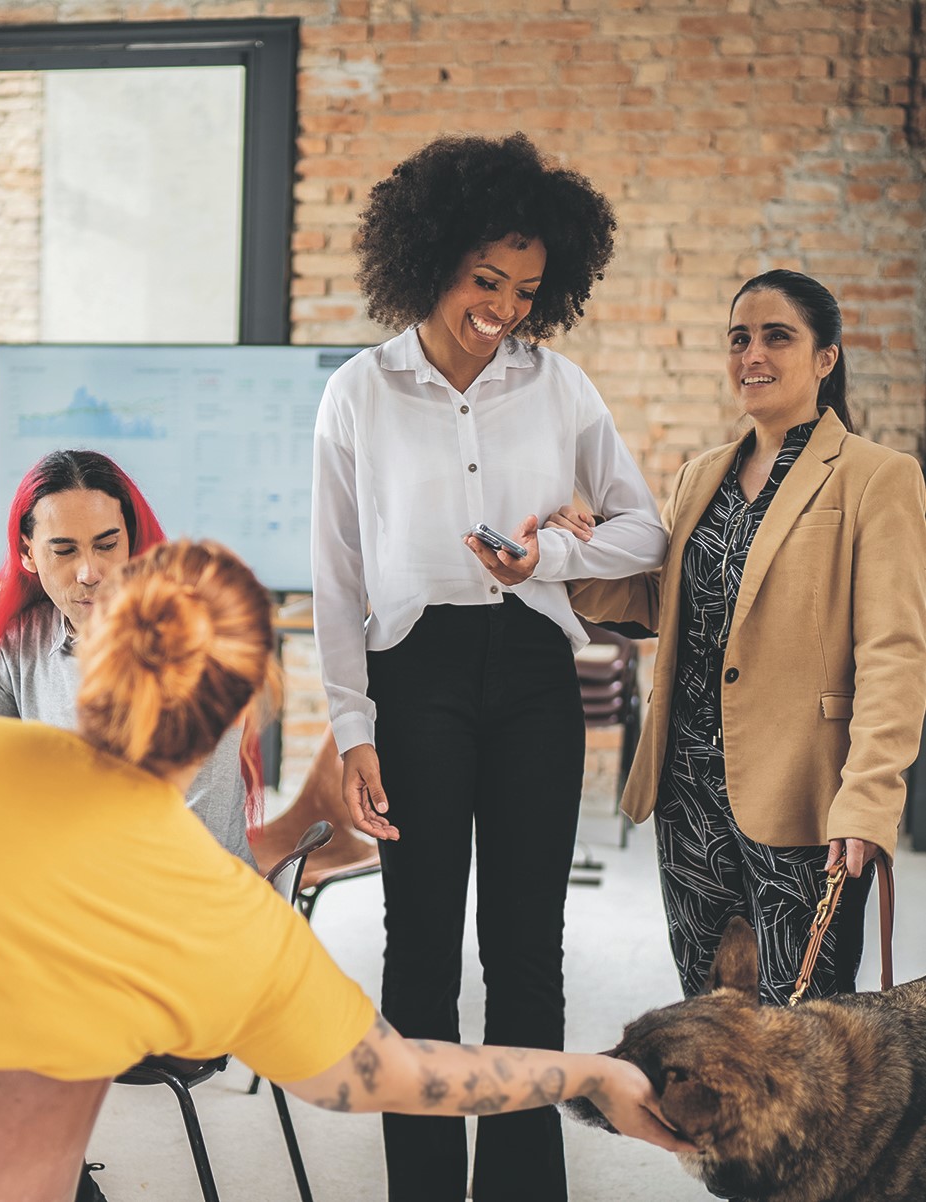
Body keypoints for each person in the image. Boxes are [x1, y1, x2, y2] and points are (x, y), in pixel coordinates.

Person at [0, 540, 691, 1202]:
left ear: (94, 643)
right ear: (250, 702)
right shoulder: (225, 923)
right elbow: (397, 1076)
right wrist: (596, 1074)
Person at [310, 132, 667, 1202]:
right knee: (419, 954)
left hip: (531, 680)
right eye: (484, 279)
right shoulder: (358, 396)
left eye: (526, 288)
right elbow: (335, 578)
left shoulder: (559, 388)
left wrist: (550, 553)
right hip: (412, 679)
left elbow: (644, 532)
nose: (505, 305)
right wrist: (352, 728)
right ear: (430, 259)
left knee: (525, 956)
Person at [556, 269, 926, 1005]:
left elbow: (894, 652)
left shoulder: (876, 478)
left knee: (802, 1025)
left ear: (825, 356)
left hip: (803, 793)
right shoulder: (701, 476)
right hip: (686, 793)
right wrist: (578, 552)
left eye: (776, 336)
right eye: (738, 339)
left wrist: (867, 801)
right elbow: (666, 602)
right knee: (710, 1014)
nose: (751, 354)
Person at [0, 449, 257, 868]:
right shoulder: (25, 641)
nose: (90, 572)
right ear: (28, 554)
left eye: (106, 545)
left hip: (186, 898)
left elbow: (191, 839)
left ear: (131, 542)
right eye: (64, 551)